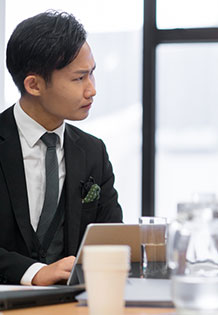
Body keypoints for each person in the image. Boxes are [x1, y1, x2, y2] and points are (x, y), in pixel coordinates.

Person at [0, 11, 123, 286]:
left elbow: (112, 238)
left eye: (92, 74)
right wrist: (33, 272)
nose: (91, 90)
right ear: (34, 85)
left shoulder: (93, 152)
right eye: (79, 79)